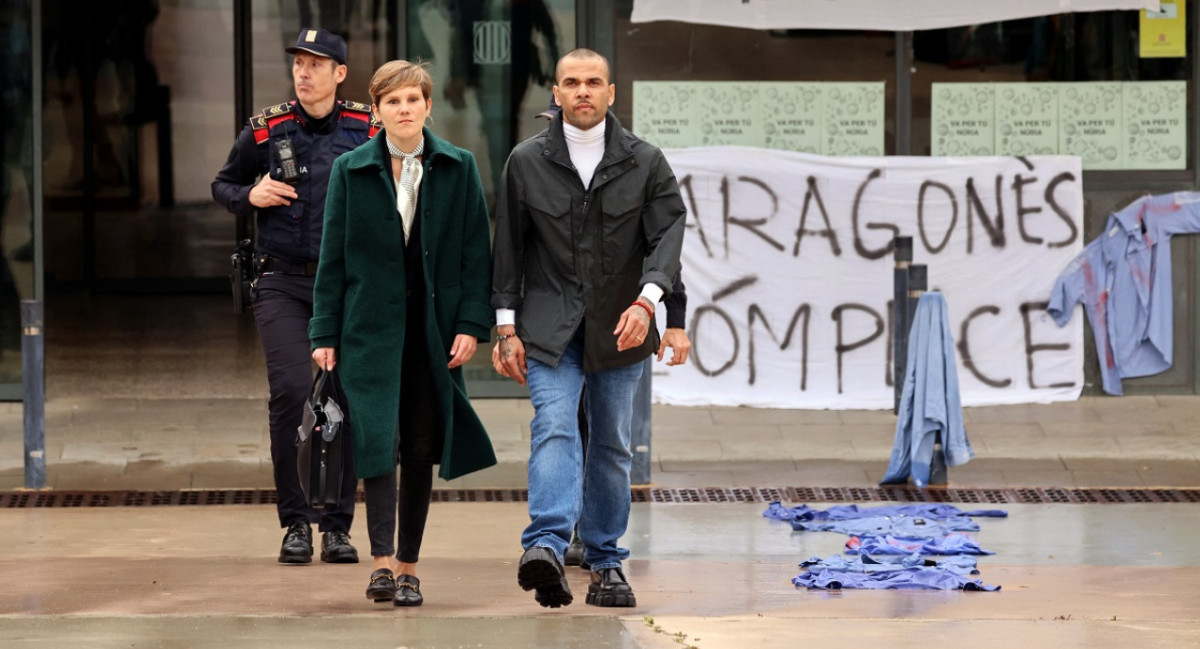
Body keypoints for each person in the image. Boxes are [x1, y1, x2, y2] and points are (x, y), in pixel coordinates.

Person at [491, 48, 686, 609]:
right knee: (554, 425)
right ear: (555, 93)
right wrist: (506, 328)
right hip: (549, 327)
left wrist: (650, 305)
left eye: (593, 82)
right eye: (571, 82)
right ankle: (547, 546)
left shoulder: (645, 162)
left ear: (611, 93)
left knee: (611, 445)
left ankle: (605, 562)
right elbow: (508, 247)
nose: (582, 91)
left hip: (622, 327)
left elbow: (667, 239)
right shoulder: (525, 162)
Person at [310, 59, 497, 607]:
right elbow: (333, 261)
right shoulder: (351, 170)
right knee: (375, 444)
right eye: (392, 101)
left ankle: (410, 568)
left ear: (428, 106)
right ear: (377, 110)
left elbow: (473, 257)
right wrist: (325, 331)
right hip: (368, 332)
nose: (404, 109)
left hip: (433, 336)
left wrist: (470, 325)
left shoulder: (459, 167)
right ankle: (381, 564)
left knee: (419, 447)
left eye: (413, 99)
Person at [212, 28, 373, 565]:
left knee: (343, 399)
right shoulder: (266, 129)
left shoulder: (365, 128)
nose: (304, 73)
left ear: (340, 73)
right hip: (281, 279)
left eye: (316, 64)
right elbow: (223, 185)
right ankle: (296, 523)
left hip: (346, 284)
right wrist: (249, 194)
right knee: (290, 394)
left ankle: (338, 526)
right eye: (298, 64)